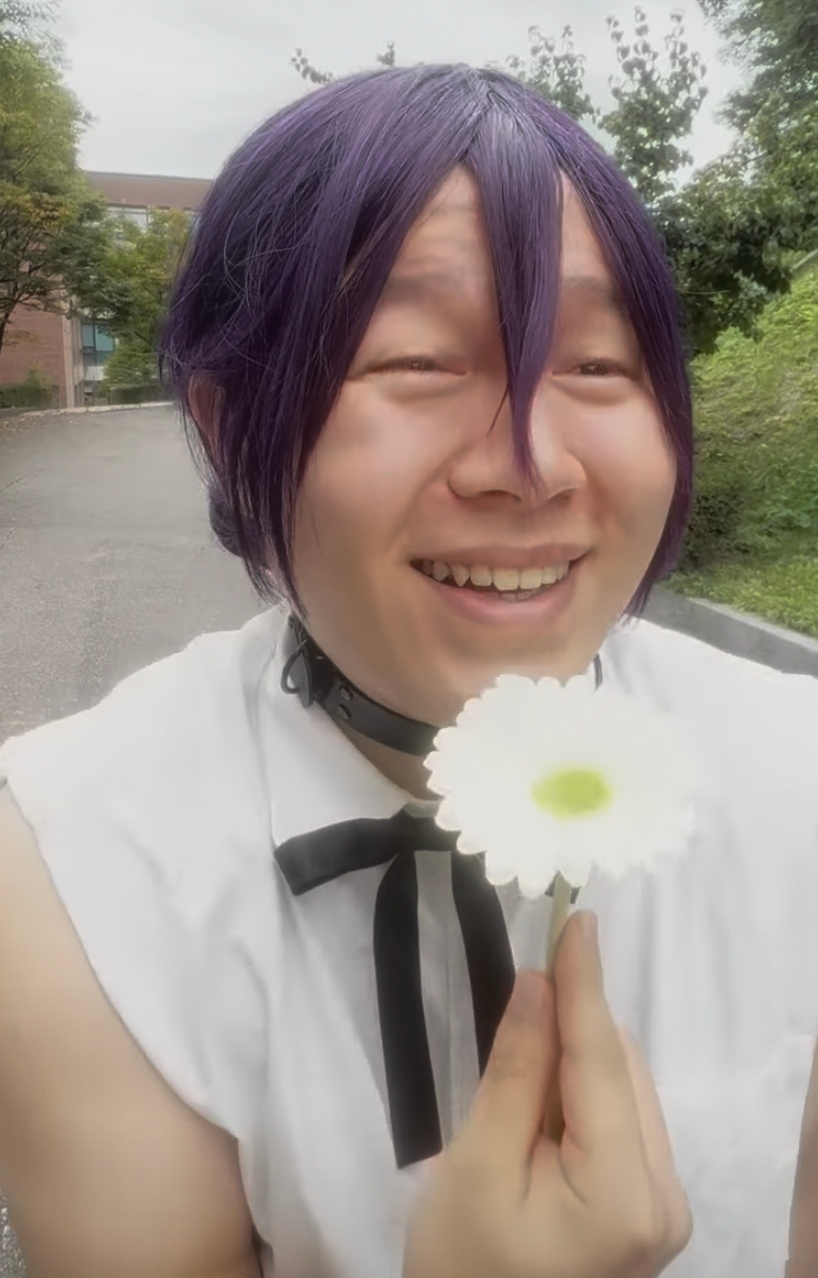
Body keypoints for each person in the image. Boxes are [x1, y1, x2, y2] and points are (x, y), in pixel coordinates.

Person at [0, 61, 816, 1278]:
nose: (528, 466)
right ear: (230, 425)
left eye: (596, 366)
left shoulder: (798, 772)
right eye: (418, 362)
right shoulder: (72, 871)